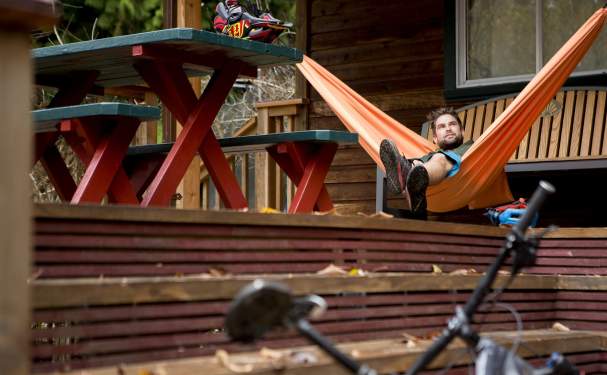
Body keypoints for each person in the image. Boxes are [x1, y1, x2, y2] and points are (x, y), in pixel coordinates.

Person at [380, 107, 473, 218]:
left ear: (462, 131)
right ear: (435, 138)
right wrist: (416, 164)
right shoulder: (430, 156)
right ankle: (408, 178)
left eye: (452, 124)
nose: (448, 129)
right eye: (441, 127)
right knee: (417, 164)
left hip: (462, 182)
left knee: (439, 158)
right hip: (434, 189)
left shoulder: (473, 149)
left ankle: (409, 177)